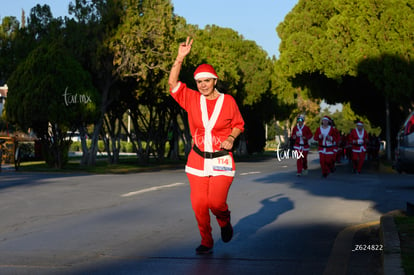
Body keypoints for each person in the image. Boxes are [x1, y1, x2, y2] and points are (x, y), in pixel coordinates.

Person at [168, 37, 245, 255]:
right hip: (197, 159)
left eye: (207, 81)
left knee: (216, 203)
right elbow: (173, 85)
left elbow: (239, 124)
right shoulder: (191, 98)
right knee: (200, 205)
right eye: (199, 82)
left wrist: (231, 137)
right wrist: (179, 58)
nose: (203, 85)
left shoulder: (228, 101)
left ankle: (224, 221)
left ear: (214, 81)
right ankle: (207, 241)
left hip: (222, 159)